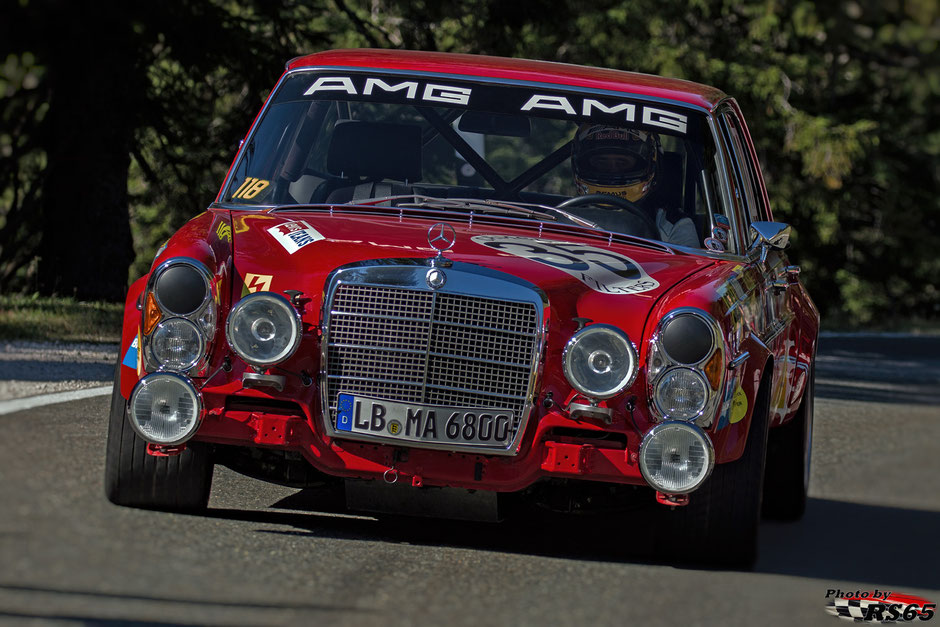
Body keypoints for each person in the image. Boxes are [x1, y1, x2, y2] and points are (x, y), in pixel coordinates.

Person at [571, 124, 700, 247]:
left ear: (650, 166)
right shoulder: (556, 216)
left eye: (622, 163)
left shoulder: (674, 226)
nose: (612, 170)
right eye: (601, 163)